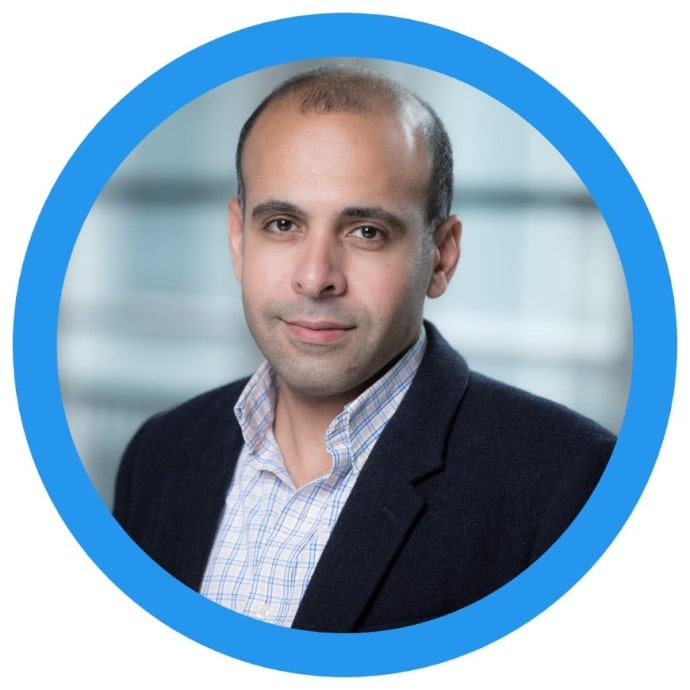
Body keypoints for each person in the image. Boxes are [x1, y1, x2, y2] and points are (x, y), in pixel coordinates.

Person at [113, 65, 616, 633]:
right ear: (238, 239)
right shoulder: (159, 454)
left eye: (366, 232)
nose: (315, 278)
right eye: (282, 224)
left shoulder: (571, 486)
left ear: (441, 256)